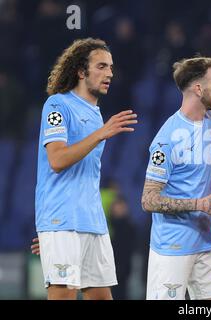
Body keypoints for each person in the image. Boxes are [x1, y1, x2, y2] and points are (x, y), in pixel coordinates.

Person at [34, 38, 137, 300]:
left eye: (111, 67)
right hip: (62, 220)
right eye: (102, 66)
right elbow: (56, 160)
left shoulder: (95, 113)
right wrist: (52, 233)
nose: (110, 73)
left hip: (92, 222)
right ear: (81, 71)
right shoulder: (58, 105)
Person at [141, 56, 211, 300]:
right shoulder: (167, 138)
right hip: (172, 248)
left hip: (208, 244)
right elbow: (149, 200)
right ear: (198, 88)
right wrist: (200, 204)